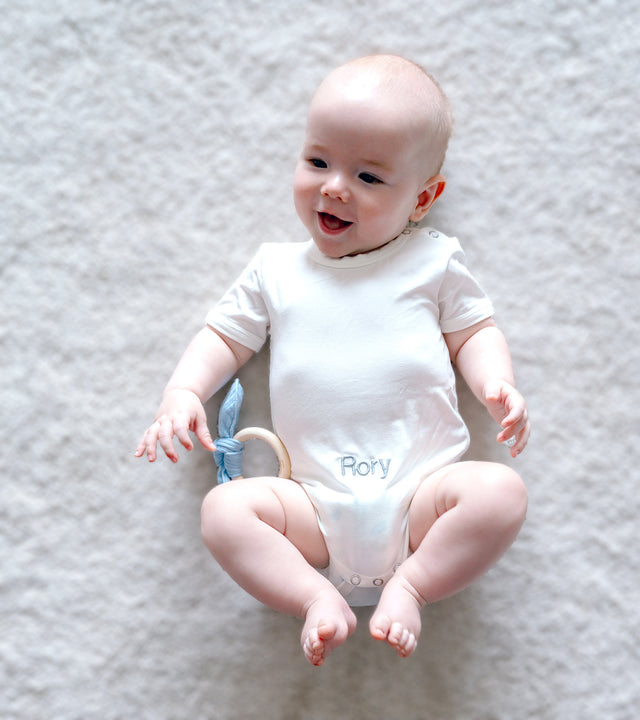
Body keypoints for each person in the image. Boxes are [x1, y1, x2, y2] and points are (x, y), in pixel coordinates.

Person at [136, 54, 530, 666]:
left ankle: (413, 586)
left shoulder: (433, 260)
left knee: (501, 492)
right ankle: (314, 597)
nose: (335, 186)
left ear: (423, 198)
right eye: (318, 161)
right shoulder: (277, 269)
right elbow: (224, 335)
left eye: (370, 178)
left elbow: (473, 330)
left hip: (422, 495)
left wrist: (495, 381)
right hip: (312, 506)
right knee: (223, 513)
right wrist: (183, 392)